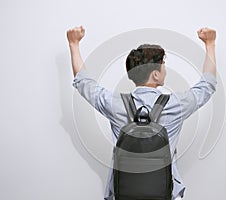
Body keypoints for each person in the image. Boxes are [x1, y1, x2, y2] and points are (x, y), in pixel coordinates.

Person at [67, 25, 217, 200]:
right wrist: (210, 44)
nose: (165, 70)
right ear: (155, 74)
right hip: (166, 194)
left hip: (123, 194)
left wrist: (74, 44)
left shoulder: (114, 104)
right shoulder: (175, 105)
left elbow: (83, 82)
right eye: (163, 65)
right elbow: (208, 84)